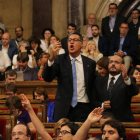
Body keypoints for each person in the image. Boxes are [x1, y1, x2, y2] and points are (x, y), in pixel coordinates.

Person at [44, 32, 96, 122]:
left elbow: (93, 86)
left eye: (75, 40)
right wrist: (51, 58)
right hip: (64, 107)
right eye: (69, 40)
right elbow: (48, 78)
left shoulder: (90, 63)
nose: (71, 42)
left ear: (82, 43)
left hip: (83, 106)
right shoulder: (60, 59)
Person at [92, 55, 139, 122]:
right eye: (111, 62)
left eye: (117, 62)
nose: (113, 64)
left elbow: (134, 92)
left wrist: (126, 78)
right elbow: (93, 101)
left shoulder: (128, 79)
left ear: (122, 66)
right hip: (103, 120)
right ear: (108, 65)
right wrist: (102, 105)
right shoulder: (99, 81)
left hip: (123, 120)